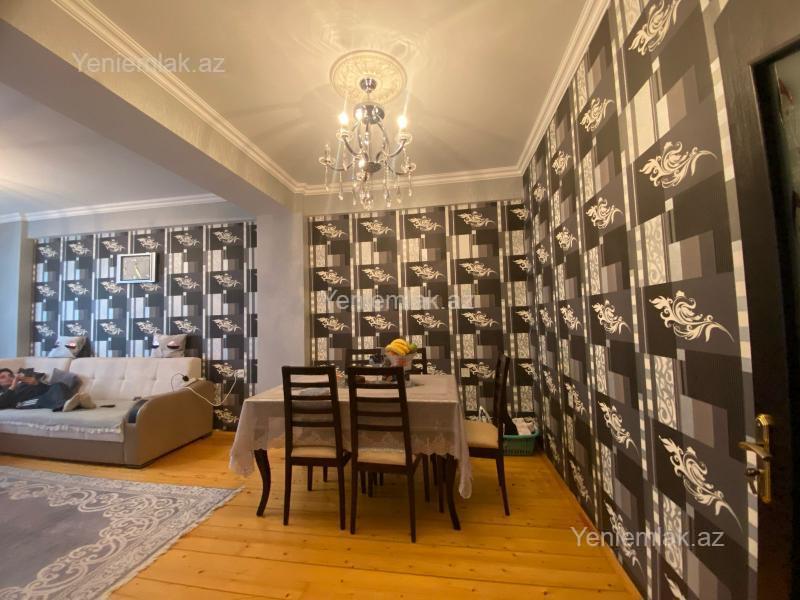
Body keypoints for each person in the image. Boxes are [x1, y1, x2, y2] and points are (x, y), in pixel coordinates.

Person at [0, 368, 73, 411]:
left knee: (58, 385)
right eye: (2, 377)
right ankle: (64, 404)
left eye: (10, 376)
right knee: (43, 399)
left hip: (37, 397)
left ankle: (69, 403)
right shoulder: (2, 393)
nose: (8, 378)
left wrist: (36, 384)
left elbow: (45, 390)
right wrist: (13, 386)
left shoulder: (22, 385)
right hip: (21, 403)